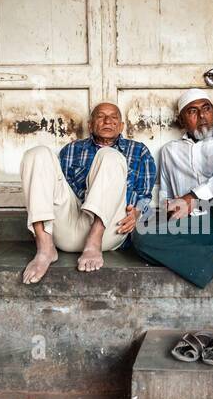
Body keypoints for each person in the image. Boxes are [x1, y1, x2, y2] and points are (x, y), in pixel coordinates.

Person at [129, 89, 213, 287]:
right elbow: (166, 194)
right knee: (142, 236)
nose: (202, 116)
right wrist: (166, 212)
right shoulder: (170, 151)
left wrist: (192, 197)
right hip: (203, 224)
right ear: (181, 120)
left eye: (206, 109)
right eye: (192, 111)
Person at [19, 101, 155, 283]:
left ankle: (93, 241)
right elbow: (57, 192)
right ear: (90, 125)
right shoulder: (72, 149)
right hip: (68, 226)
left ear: (121, 126)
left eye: (114, 117)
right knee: (36, 153)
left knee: (110, 156)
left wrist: (137, 213)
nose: (107, 121)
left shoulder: (139, 151)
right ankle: (44, 248)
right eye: (100, 116)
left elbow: (145, 196)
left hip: (109, 230)